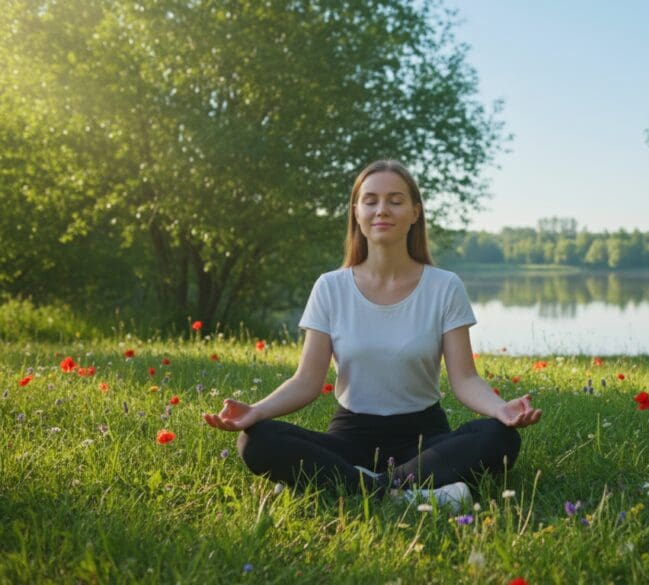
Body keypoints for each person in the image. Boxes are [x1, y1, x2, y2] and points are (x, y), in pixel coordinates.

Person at [202, 160, 541, 511]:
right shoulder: (330, 287)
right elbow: (306, 381)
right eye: (371, 200)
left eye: (395, 200)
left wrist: (501, 410)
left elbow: (465, 379)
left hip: (425, 439)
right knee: (256, 442)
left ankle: (349, 484)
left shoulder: (444, 286)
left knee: (499, 437)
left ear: (415, 213)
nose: (382, 210)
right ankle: (407, 493)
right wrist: (255, 412)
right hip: (351, 437)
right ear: (356, 213)